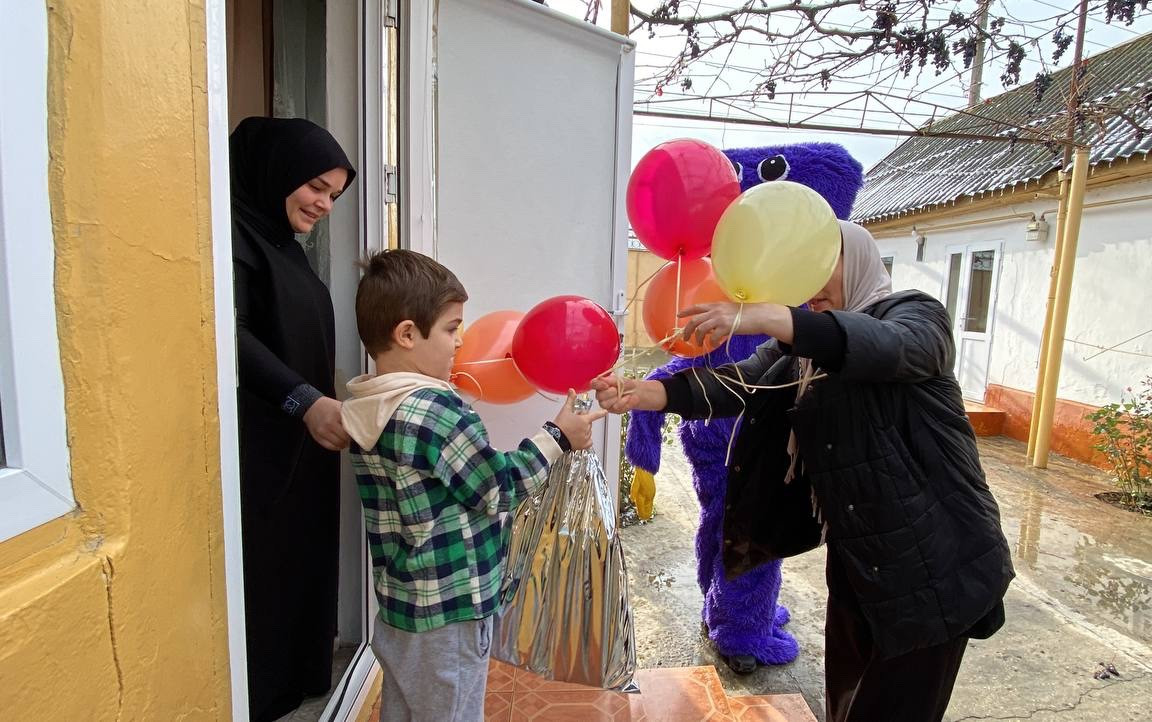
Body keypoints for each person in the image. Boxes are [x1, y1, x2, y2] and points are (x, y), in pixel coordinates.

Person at [593, 220, 1014, 722]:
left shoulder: (916, 316)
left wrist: (771, 317)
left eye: (821, 264)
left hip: (937, 559)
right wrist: (653, 394)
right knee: (845, 698)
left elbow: (885, 347)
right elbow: (747, 381)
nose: (808, 280)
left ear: (855, 261)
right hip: (861, 555)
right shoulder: (804, 346)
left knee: (895, 706)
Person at [341, 249, 606, 722]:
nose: (461, 341)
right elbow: (497, 487)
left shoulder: (366, 406)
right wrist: (559, 438)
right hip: (449, 614)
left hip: (402, 609)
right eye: (450, 328)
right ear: (407, 334)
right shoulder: (436, 411)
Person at [230, 116, 357, 721]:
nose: (324, 204)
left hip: (304, 441)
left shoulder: (283, 247)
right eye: (315, 187)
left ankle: (297, 678)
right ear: (277, 172)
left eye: (334, 194)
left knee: (299, 558)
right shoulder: (232, 239)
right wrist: (303, 401)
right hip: (262, 445)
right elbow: (230, 335)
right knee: (265, 569)